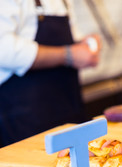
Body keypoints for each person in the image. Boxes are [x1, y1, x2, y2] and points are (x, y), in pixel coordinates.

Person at [0, 0, 101, 147]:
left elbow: (70, 36)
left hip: (67, 107)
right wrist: (68, 55)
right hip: (25, 116)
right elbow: (4, 50)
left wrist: (84, 44)